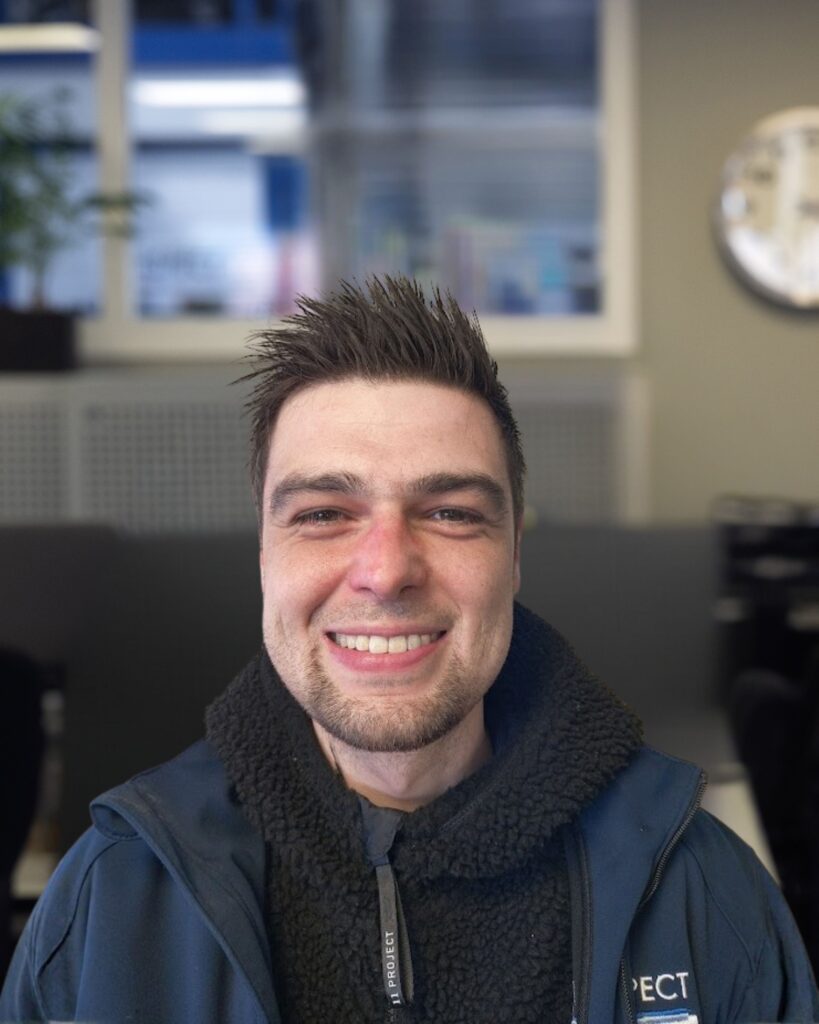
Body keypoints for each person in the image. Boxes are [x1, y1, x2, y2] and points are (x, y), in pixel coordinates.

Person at [1, 276, 816, 1023]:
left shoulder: (700, 891)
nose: (386, 571)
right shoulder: (111, 900)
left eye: (450, 513)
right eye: (323, 514)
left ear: (513, 555)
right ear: (264, 555)